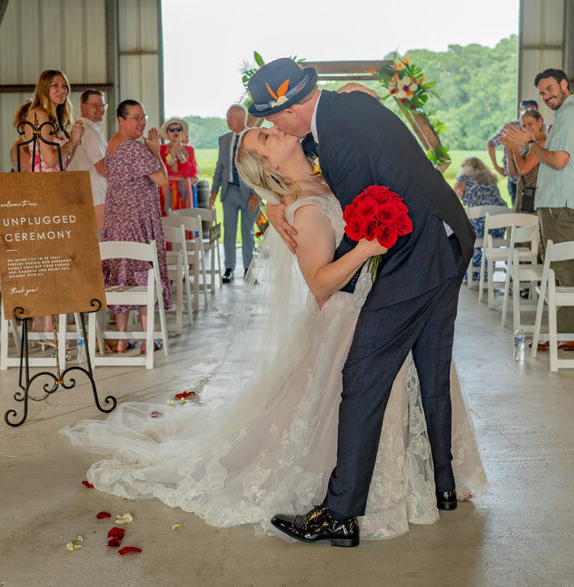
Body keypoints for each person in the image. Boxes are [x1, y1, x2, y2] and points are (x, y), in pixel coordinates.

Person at [62, 127, 486, 541]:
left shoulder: (328, 179)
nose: (275, 133)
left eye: (269, 130)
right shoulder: (304, 208)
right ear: (267, 163)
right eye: (264, 139)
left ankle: (436, 473)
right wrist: (365, 249)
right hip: (350, 314)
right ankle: (376, 489)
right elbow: (320, 285)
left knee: (424, 382)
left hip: (391, 299)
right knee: (368, 400)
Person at [251, 58, 475, 547]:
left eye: (272, 119)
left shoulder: (340, 139)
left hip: (419, 257)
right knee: (432, 371)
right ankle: (444, 486)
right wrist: (274, 199)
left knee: (365, 372)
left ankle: (341, 512)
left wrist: (336, 293)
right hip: (449, 238)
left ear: (292, 110)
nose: (272, 126)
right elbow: (304, 163)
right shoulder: (340, 112)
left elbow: (363, 227)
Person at [512, 68, 574, 352]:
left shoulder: (572, 114)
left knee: (561, 266)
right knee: (558, 265)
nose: (547, 96)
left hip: (562, 201)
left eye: (550, 88)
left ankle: (568, 334)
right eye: (543, 92)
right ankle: (566, 331)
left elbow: (559, 161)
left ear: (564, 84)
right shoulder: (564, 115)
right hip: (555, 200)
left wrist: (529, 144)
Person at [98, 99, 171, 352]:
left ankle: (120, 339)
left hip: (116, 220)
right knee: (142, 276)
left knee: (122, 277)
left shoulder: (113, 145)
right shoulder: (134, 148)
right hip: (137, 221)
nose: (142, 122)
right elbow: (162, 179)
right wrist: (155, 151)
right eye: (136, 118)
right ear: (121, 119)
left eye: (144, 116)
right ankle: (146, 339)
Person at [210, 104, 260, 283]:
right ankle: (229, 268)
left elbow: (262, 168)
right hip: (229, 191)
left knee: (247, 232)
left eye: (230, 117)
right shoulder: (224, 139)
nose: (227, 121)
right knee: (229, 231)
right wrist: (213, 192)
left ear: (241, 118)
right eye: (227, 117)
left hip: (250, 193)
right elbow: (219, 167)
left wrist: (257, 194)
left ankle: (249, 270)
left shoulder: (255, 137)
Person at [10, 70, 85, 173]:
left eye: (64, 86)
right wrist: (71, 142)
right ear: (44, 89)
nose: (62, 90)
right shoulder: (40, 114)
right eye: (55, 85)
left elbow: (63, 163)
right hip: (44, 184)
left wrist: (75, 141)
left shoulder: (54, 119)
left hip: (56, 181)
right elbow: (50, 160)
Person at [457, 157, 506, 282]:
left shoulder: (464, 178)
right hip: (498, 226)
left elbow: (456, 195)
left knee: (467, 236)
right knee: (487, 242)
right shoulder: (490, 178)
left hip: (478, 227)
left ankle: (472, 275)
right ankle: (486, 275)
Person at [486, 100, 539, 207]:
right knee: (516, 213)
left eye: (532, 112)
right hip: (515, 180)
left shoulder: (542, 131)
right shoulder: (511, 127)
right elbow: (491, 144)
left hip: (534, 183)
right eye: (525, 112)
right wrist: (496, 166)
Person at [70, 89, 109, 231]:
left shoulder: (79, 128)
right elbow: (103, 168)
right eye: (95, 105)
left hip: (82, 194)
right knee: (103, 243)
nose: (100, 110)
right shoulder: (90, 132)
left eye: (103, 106)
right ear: (82, 106)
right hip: (97, 195)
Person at [502, 108, 548, 214]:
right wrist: (509, 152)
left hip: (535, 199)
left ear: (540, 121)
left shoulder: (543, 142)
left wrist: (515, 150)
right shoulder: (528, 144)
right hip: (522, 197)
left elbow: (523, 170)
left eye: (530, 124)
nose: (527, 128)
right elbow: (513, 174)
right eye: (524, 125)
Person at [160, 117, 197, 211]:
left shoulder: (189, 150)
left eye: (178, 129)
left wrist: (181, 158)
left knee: (185, 217)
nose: (175, 132)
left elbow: (191, 173)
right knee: (167, 218)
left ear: (182, 132)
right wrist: (171, 158)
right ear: (168, 133)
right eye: (172, 129)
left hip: (184, 187)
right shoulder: (161, 149)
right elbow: (161, 172)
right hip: (166, 187)